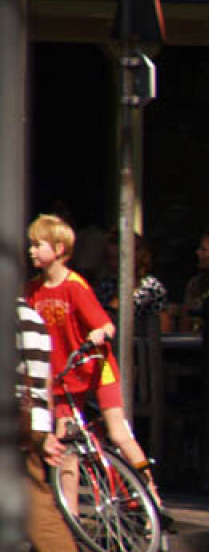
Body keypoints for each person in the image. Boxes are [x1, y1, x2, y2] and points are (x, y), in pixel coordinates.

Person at [25, 214, 170, 518]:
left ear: (60, 248)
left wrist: (99, 333)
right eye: (32, 245)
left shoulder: (76, 286)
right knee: (65, 445)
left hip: (94, 366)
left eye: (39, 245)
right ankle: (71, 517)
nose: (32, 251)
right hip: (62, 376)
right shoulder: (33, 290)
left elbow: (105, 324)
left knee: (118, 432)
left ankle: (151, 494)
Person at [17, 296, 103, 552]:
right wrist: (42, 430)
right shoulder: (28, 314)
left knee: (32, 498)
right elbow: (40, 380)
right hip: (26, 417)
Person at [94, 230, 170, 328]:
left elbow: (162, 329)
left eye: (118, 259)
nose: (114, 264)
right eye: (110, 259)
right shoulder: (104, 286)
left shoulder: (152, 288)